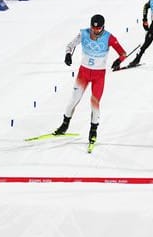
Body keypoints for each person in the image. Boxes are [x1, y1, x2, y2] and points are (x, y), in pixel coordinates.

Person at [53, 14, 127, 146]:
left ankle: (93, 131)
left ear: (103, 27)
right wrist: (68, 54)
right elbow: (70, 45)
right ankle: (64, 126)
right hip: (84, 73)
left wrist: (118, 61)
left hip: (99, 76)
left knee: (94, 102)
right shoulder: (84, 33)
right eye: (93, 28)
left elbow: (123, 53)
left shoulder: (109, 37)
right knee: (74, 99)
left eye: (98, 29)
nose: (95, 31)